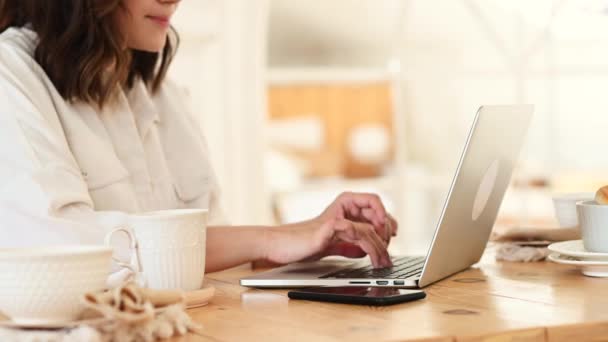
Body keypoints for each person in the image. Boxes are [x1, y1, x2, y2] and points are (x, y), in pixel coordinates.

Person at [0, 0, 396, 273]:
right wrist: (272, 239)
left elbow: (211, 253)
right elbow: (69, 254)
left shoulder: (162, 94)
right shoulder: (11, 77)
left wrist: (309, 242)